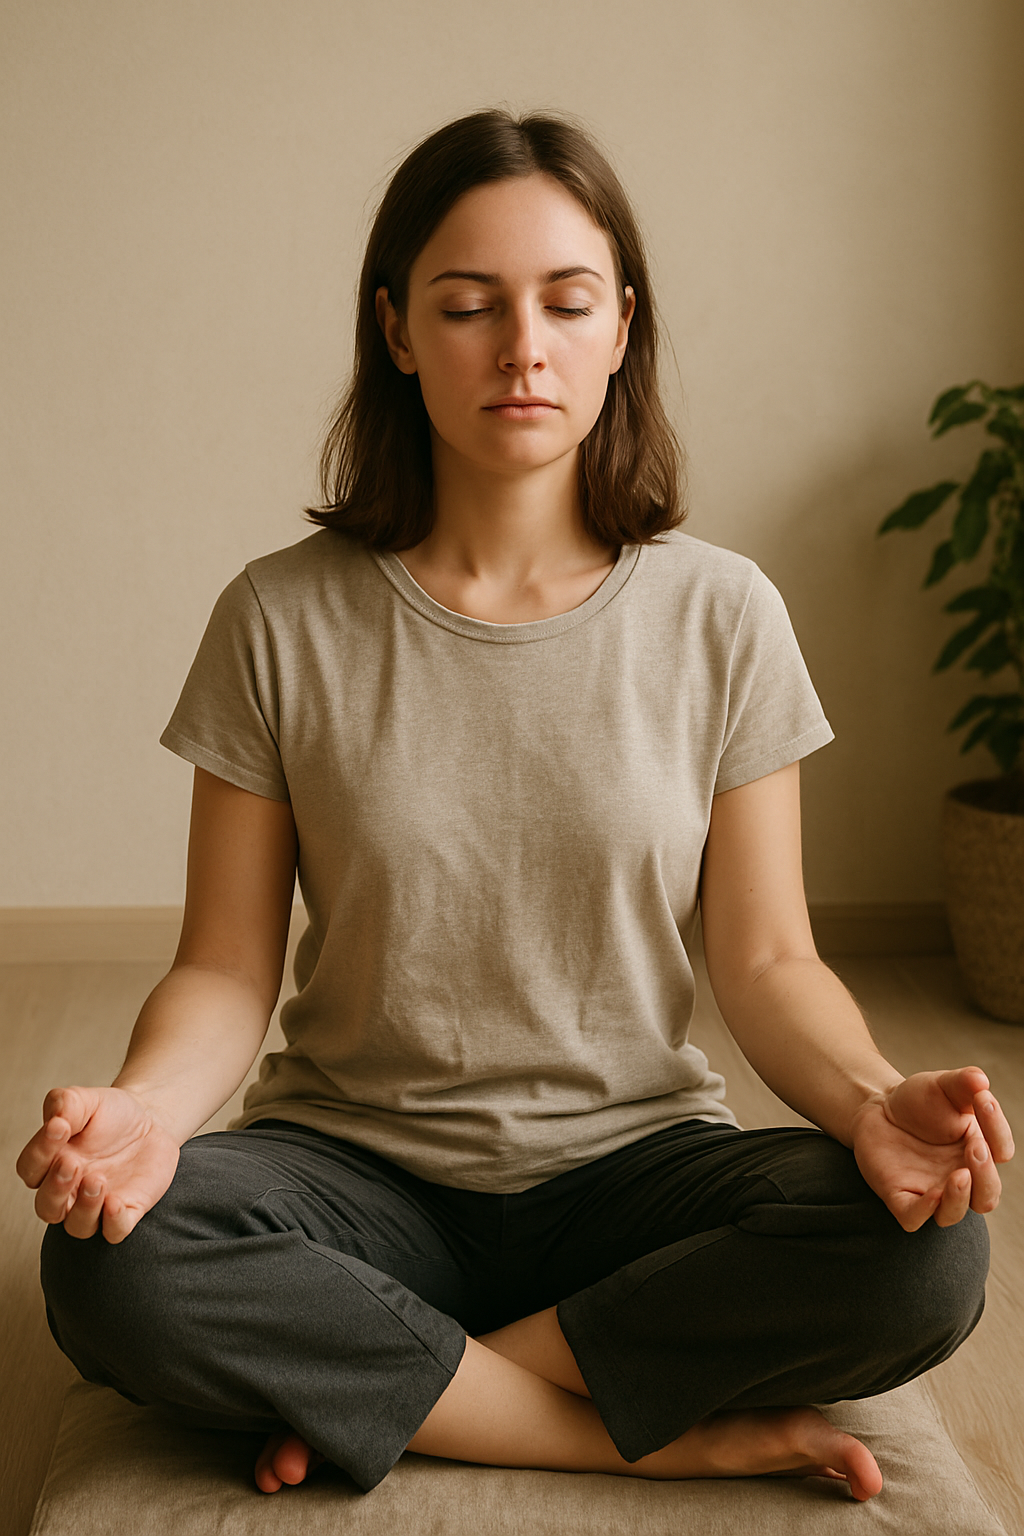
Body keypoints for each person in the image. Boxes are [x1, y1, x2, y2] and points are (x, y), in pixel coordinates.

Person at [17, 108, 1013, 1506]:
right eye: (469, 306)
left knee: (931, 1253)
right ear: (398, 331)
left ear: (622, 327)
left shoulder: (722, 614)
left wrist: (868, 1104)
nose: (522, 346)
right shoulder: (276, 618)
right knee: (108, 1263)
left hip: (634, 1175)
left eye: (565, 301)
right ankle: (608, 1417)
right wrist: (143, 1110)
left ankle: (412, 1381)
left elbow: (770, 962)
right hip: (355, 1174)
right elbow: (226, 967)